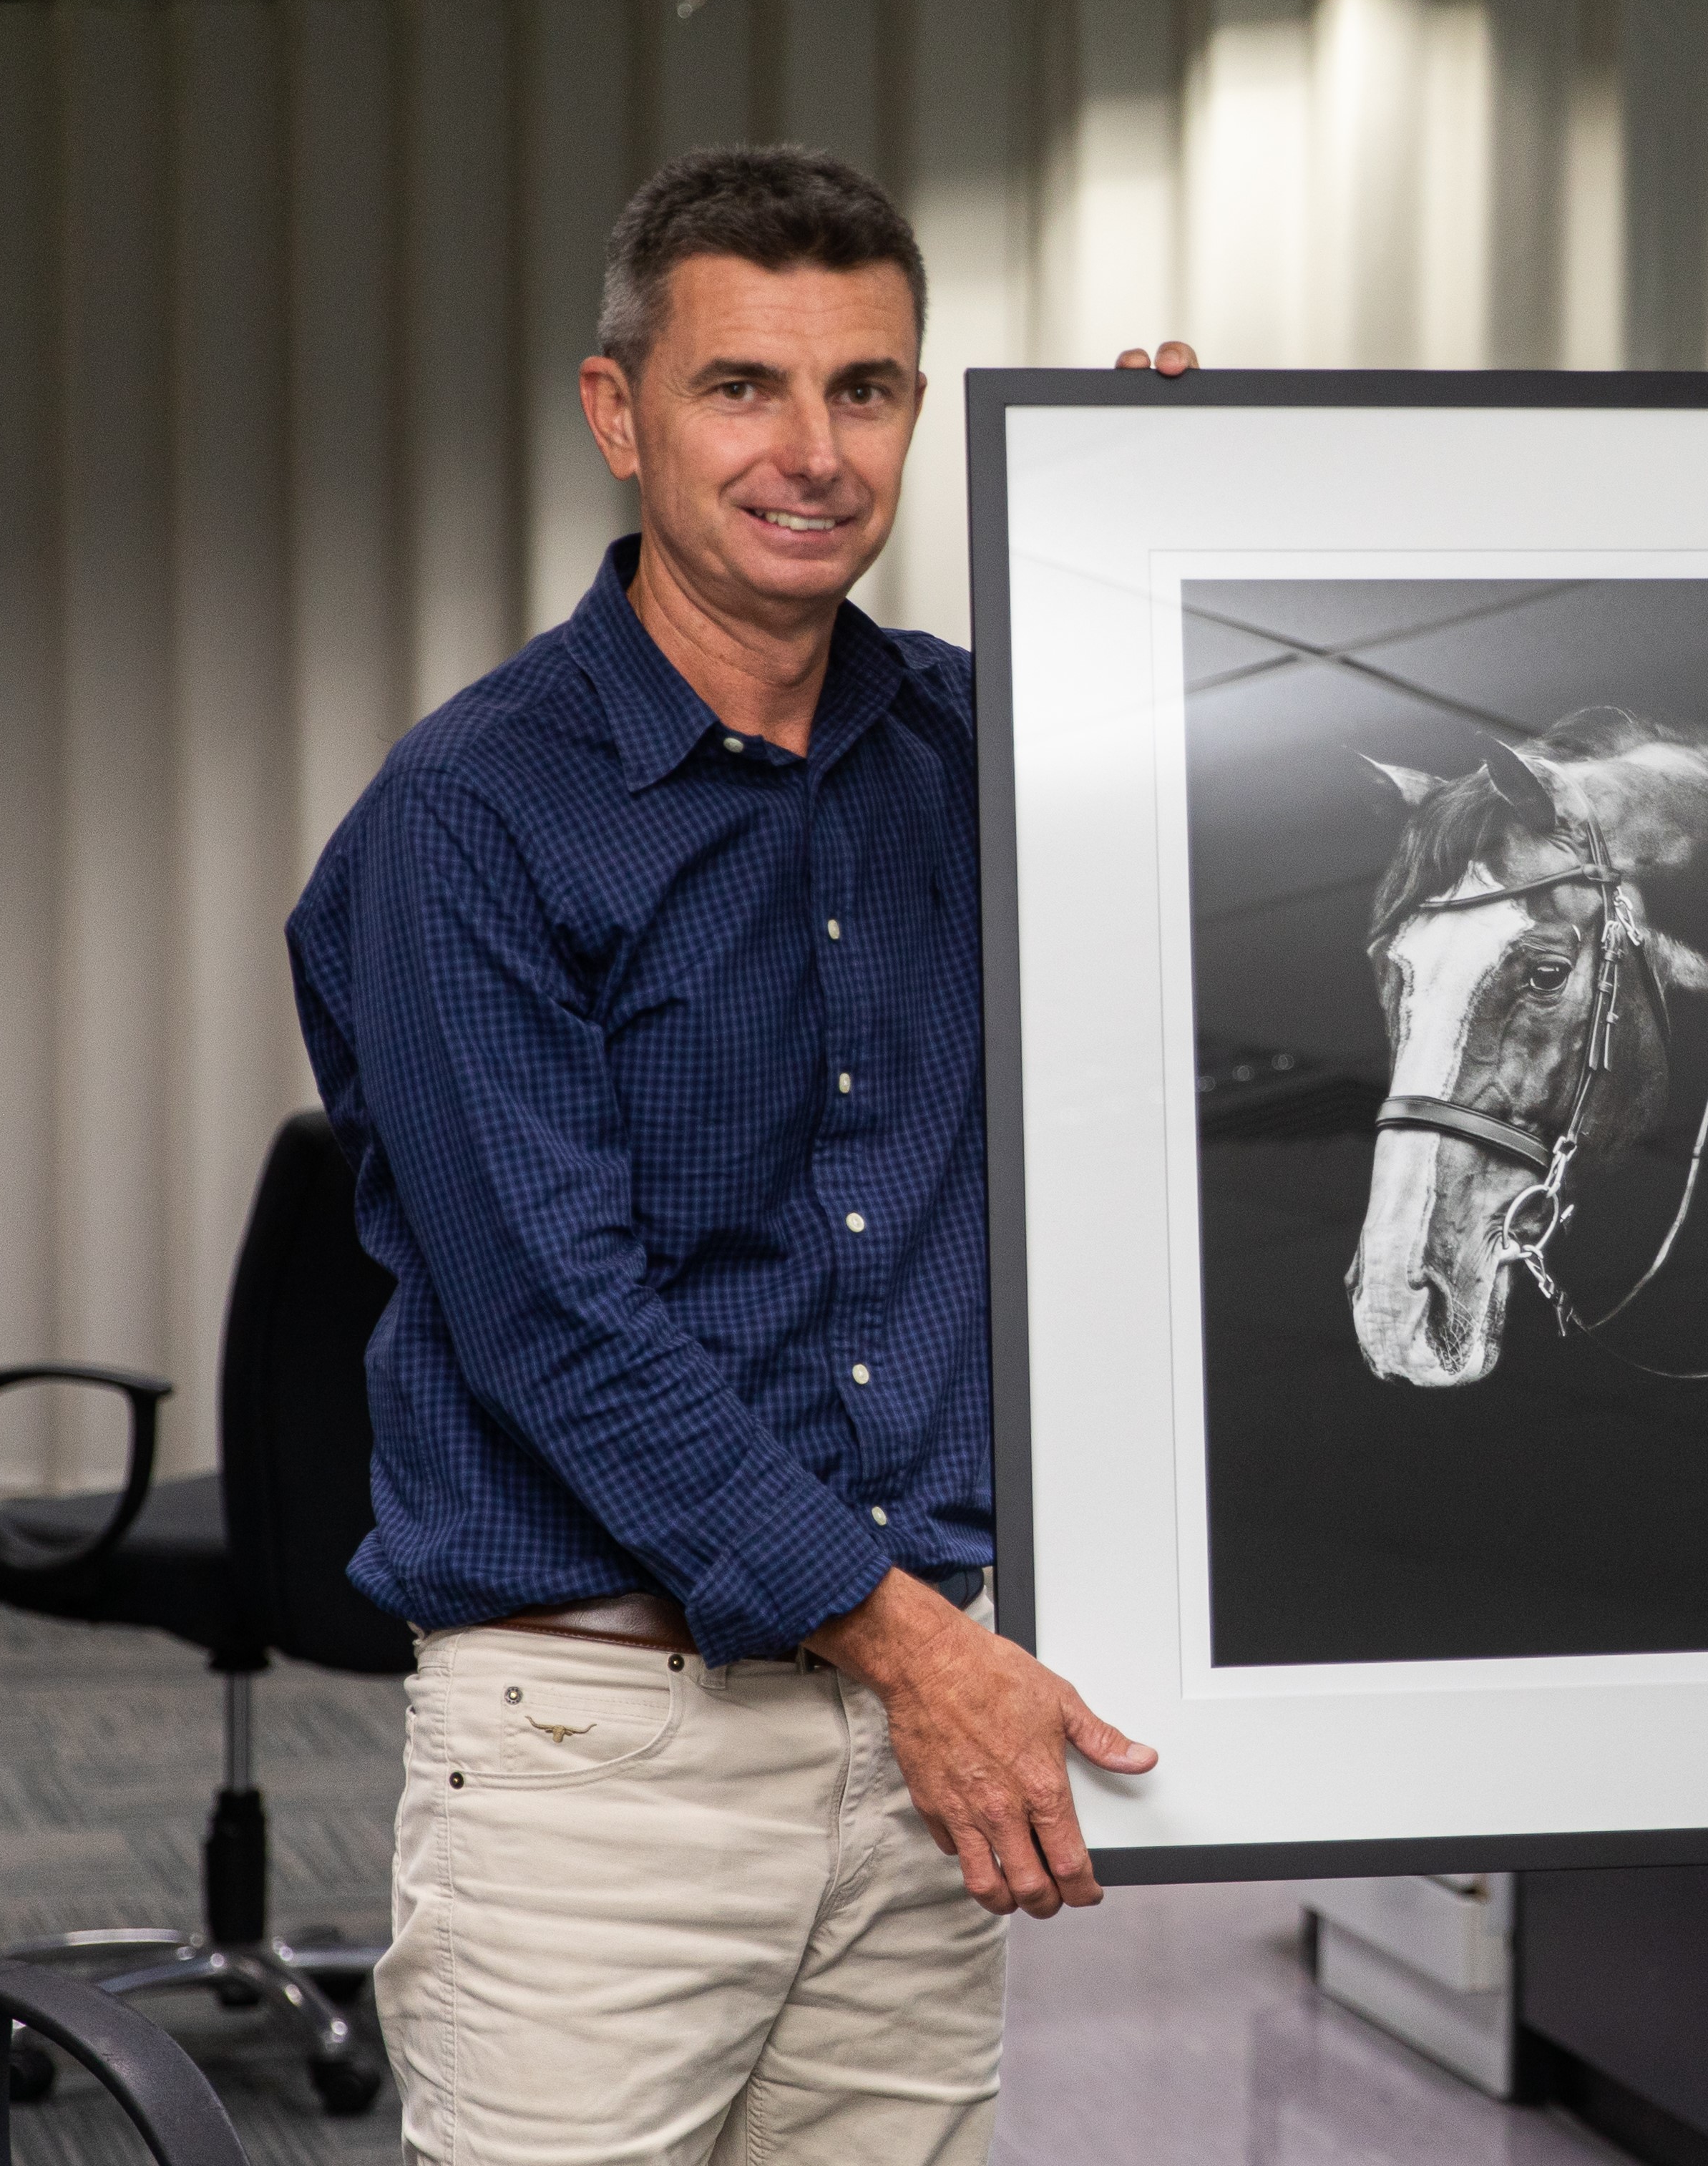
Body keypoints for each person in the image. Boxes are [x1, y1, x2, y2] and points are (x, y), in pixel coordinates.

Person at [287, 144, 1195, 2165]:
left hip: (917, 1740)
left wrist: (1184, 527)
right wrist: (922, 1651)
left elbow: (1268, 899)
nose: (813, 450)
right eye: (742, 387)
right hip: (607, 1752)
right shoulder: (470, 817)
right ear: (619, 413)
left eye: (863, 388)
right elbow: (558, 1325)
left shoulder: (989, 753)